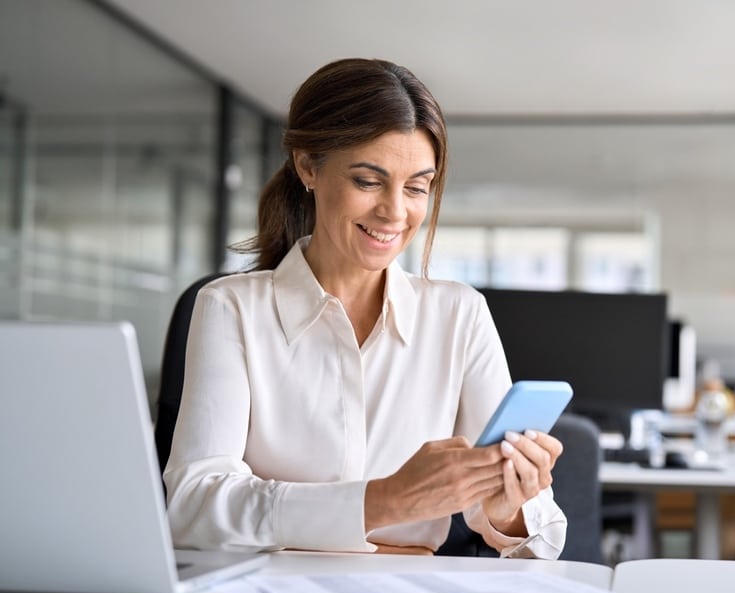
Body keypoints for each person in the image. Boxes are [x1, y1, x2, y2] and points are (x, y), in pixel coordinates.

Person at [164, 58, 567, 558]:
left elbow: (541, 537)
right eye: (368, 181)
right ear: (308, 165)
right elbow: (192, 506)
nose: (395, 212)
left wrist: (507, 506)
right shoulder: (232, 308)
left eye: (417, 187)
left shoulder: (459, 316)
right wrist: (382, 501)